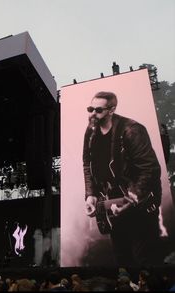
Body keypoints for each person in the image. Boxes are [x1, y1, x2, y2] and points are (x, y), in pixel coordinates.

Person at [83, 91, 163, 267]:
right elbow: (87, 165)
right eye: (90, 109)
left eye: (98, 110)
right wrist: (91, 195)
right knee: (122, 261)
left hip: (139, 203)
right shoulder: (91, 132)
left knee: (146, 261)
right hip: (113, 203)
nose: (92, 114)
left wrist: (131, 198)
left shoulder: (132, 130)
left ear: (111, 110)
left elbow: (149, 169)